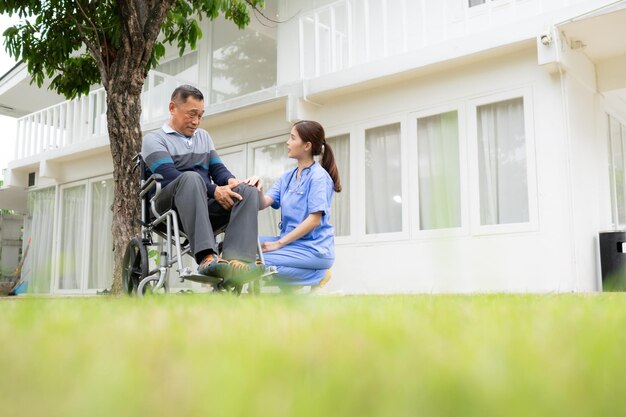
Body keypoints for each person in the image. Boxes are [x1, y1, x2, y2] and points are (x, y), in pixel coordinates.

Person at [141, 85, 262, 280]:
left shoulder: (203, 137)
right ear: (172, 108)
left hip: (203, 203)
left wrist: (232, 181)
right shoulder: (153, 139)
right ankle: (207, 257)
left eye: (200, 115)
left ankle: (238, 263)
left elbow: (217, 169)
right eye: (191, 114)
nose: (196, 121)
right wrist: (214, 190)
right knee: (190, 177)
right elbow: (169, 175)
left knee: (246, 191)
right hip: (167, 208)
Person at [250, 120, 341, 287]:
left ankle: (317, 275)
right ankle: (311, 275)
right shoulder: (287, 177)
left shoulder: (319, 177)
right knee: (244, 247)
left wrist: (278, 244)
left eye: (292, 138)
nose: (287, 142)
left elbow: (314, 220)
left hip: (313, 248)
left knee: (256, 260)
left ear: (307, 146)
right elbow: (262, 203)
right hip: (290, 244)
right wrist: (257, 188)